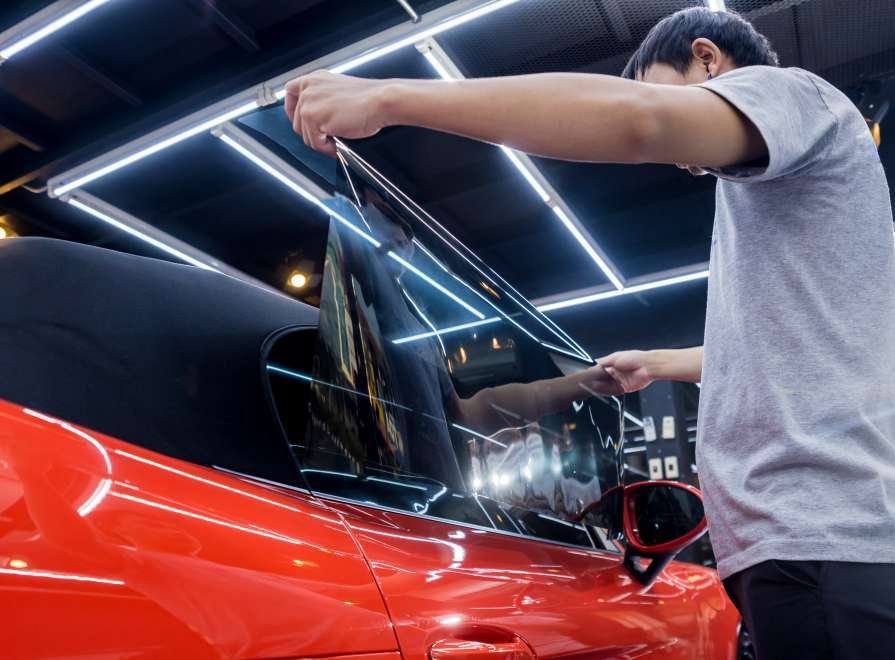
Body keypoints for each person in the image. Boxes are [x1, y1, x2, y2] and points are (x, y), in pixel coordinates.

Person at [282, 6, 895, 657]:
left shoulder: (790, 94)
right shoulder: (787, 187)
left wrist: (386, 96)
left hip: (821, 541)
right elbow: (796, 348)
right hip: (822, 542)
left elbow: (641, 121)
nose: (680, 162)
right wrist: (658, 362)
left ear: (708, 59)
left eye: (659, 84)